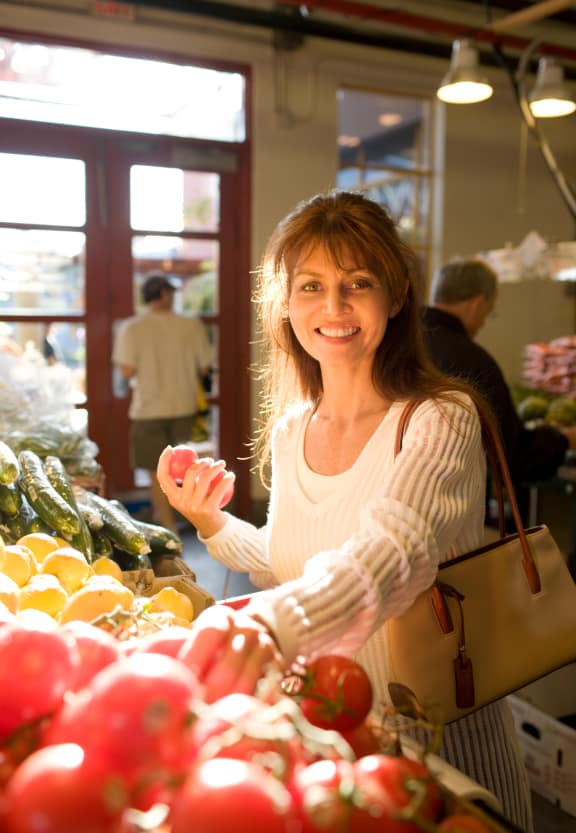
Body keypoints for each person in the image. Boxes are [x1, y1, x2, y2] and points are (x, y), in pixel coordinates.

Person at [156, 191, 534, 831]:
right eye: (311, 285)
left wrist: (277, 624)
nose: (333, 307)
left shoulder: (438, 419)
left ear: (396, 295)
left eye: (358, 282)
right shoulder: (293, 428)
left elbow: (388, 558)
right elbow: (294, 564)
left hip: (444, 756)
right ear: (286, 302)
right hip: (339, 742)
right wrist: (212, 524)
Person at [422, 257, 574, 524]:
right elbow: (512, 456)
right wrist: (565, 440)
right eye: (488, 312)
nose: (483, 322)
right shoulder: (472, 361)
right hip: (446, 518)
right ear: (478, 303)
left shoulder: (401, 345)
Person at [113, 272, 213, 531]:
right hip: (184, 406)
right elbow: (205, 368)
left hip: (148, 409)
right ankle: (187, 520)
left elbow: (125, 371)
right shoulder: (191, 325)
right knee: (183, 471)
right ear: (165, 294)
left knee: (157, 474)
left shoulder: (132, 327)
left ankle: (167, 526)